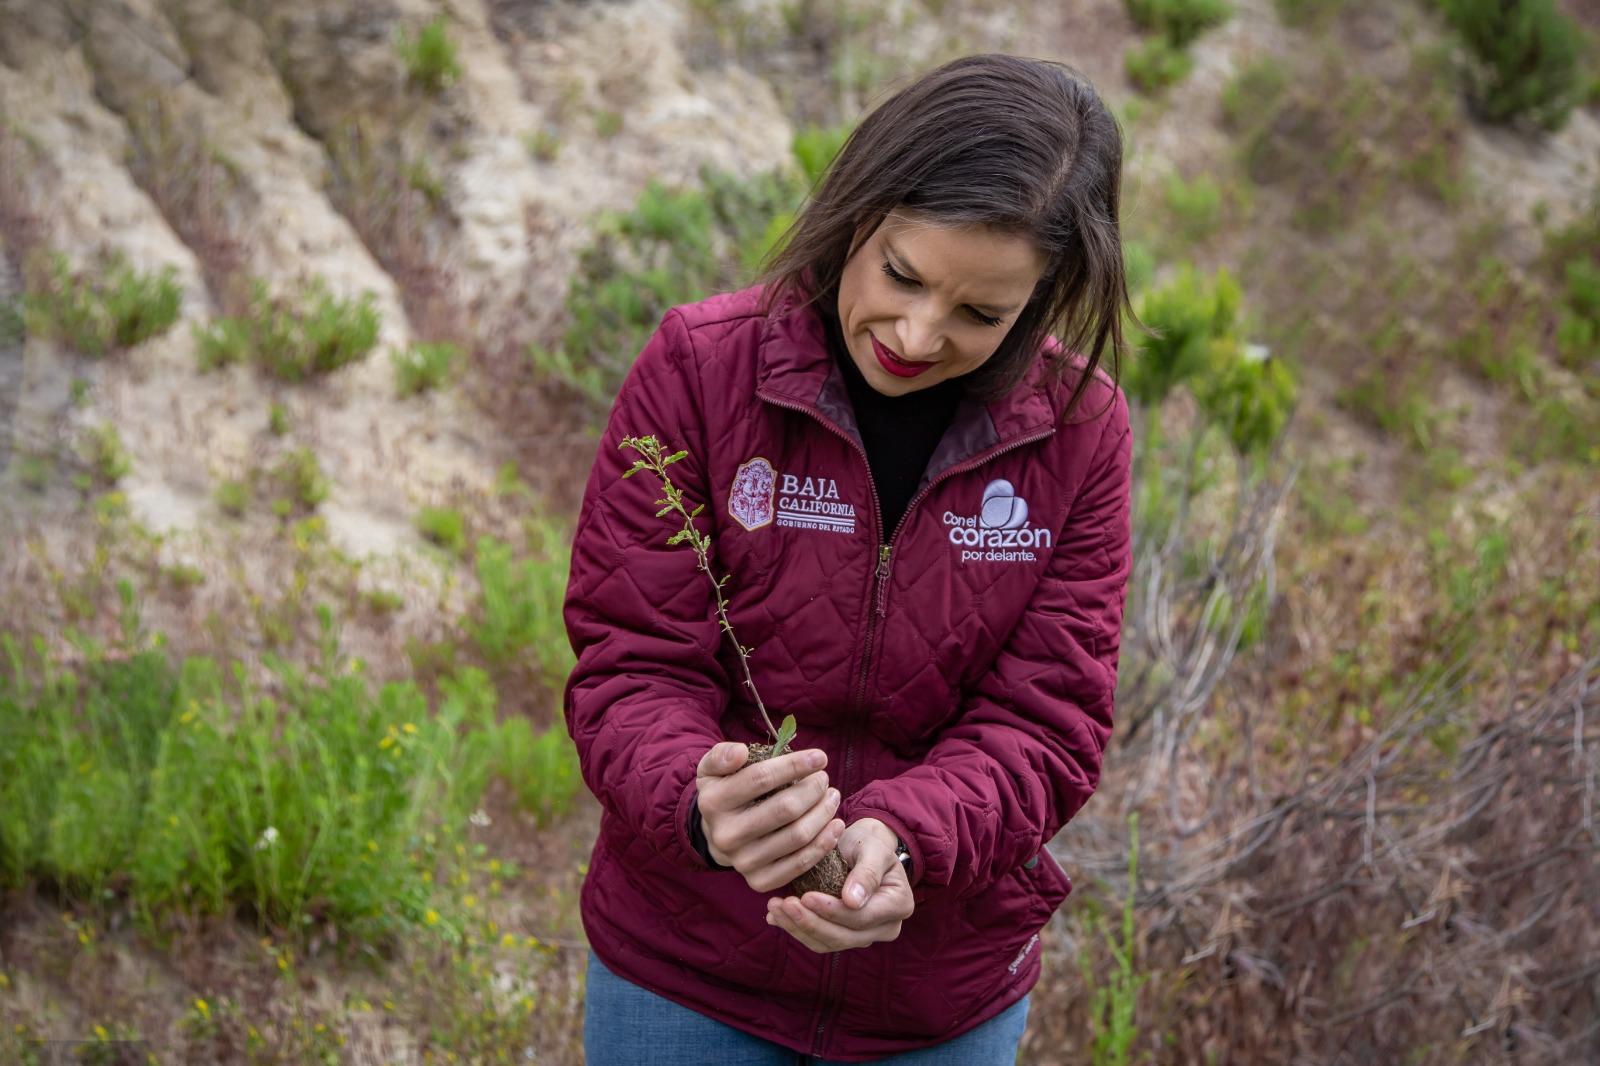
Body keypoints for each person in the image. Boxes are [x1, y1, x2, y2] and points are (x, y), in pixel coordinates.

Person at [563, 52, 1137, 1064]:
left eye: (979, 313)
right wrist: (699, 805)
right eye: (902, 275)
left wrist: (905, 837)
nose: (916, 334)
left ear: (1042, 299)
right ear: (857, 214)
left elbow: (1047, 720)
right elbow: (631, 662)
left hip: (933, 993)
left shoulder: (1080, 432)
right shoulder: (702, 370)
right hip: (686, 967)